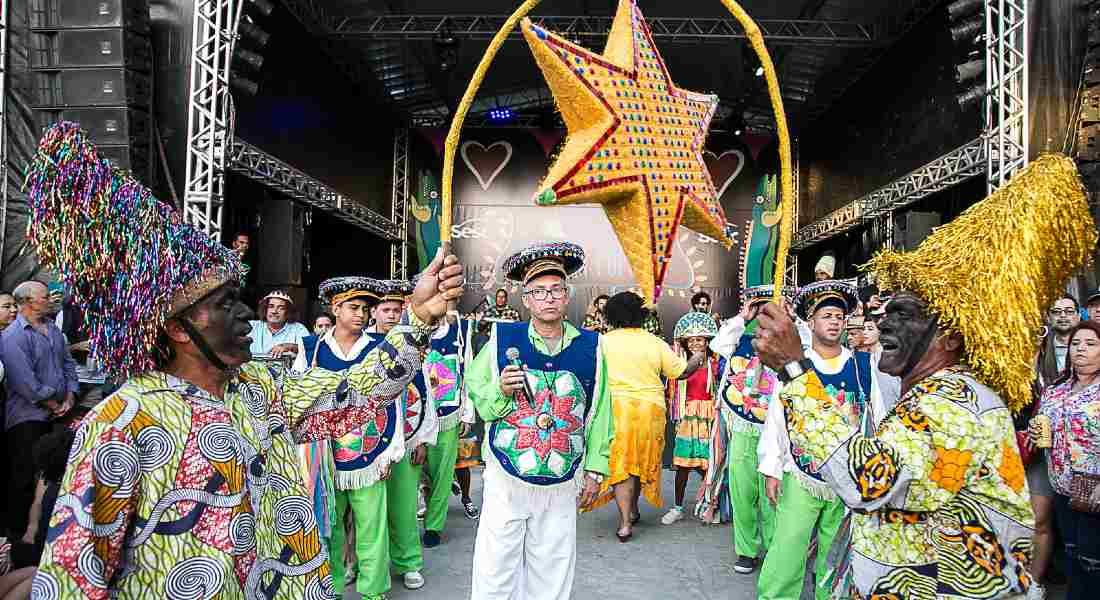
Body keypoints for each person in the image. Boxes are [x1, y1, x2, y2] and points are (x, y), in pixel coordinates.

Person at [23, 121, 467, 599]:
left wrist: (418, 316)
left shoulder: (259, 388)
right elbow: (72, 577)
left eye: (239, 297)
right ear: (176, 328)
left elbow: (355, 394)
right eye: (223, 303)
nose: (243, 313)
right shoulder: (123, 421)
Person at [750, 154, 1096, 600]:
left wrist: (796, 369)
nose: (885, 324)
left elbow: (866, 480)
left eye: (904, 314)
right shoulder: (938, 393)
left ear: (950, 337)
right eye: (887, 312)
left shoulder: (954, 405)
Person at [467, 242, 613, 600]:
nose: (548, 297)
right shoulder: (502, 339)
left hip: (562, 482)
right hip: (506, 477)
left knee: (552, 568)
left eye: (556, 290)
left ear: (567, 297)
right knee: (496, 565)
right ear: (526, 299)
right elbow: (478, 395)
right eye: (538, 291)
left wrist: (595, 470)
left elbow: (600, 412)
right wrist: (501, 391)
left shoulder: (593, 347)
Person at [757, 280, 880, 600]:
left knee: (835, 555)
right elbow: (777, 416)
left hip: (847, 477)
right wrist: (772, 466)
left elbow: (876, 417)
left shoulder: (862, 364)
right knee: (788, 548)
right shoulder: (797, 363)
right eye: (826, 315)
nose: (834, 321)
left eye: (839, 316)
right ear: (810, 323)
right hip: (802, 473)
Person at [292, 276, 406, 598]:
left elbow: (393, 400)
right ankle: (332, 588)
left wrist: (390, 452)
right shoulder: (310, 349)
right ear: (335, 308)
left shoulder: (380, 350)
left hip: (370, 452)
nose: (362, 314)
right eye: (353, 307)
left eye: (366, 308)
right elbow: (298, 400)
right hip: (323, 455)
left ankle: (373, 591)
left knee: (372, 527)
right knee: (328, 529)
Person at [587, 292, 703, 541]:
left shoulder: (603, 342)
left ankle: (625, 522)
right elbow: (681, 373)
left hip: (616, 410)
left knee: (622, 463)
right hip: (651, 411)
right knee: (639, 461)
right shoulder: (654, 342)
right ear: (640, 315)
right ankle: (634, 510)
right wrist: (696, 358)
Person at [708, 284, 782, 574]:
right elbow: (717, 344)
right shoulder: (740, 341)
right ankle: (747, 550)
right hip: (742, 427)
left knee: (772, 494)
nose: (763, 315)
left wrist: (788, 316)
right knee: (742, 490)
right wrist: (742, 316)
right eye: (759, 309)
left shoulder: (787, 346)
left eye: (769, 309)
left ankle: (776, 549)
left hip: (775, 432)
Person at [1, 280, 78, 542]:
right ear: (28, 302)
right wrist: (54, 403)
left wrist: (70, 395)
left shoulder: (53, 331)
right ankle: (15, 539)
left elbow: (68, 365)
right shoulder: (12, 337)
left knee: (53, 476)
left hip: (59, 412)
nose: (51, 300)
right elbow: (25, 382)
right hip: (27, 417)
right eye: (45, 297)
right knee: (23, 477)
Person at [1034, 321, 1100, 600]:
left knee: (1092, 562)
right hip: (1061, 487)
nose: (1081, 349)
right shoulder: (1056, 388)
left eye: (1091, 344)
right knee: (1071, 555)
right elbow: (1044, 430)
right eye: (1075, 344)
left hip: (1094, 492)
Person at [379, 279, 438, 591]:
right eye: (385, 309)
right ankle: (365, 565)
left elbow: (424, 394)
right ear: (374, 312)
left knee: (404, 507)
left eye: (396, 309)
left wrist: (424, 440)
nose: (391, 314)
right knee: (369, 512)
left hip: (407, 439)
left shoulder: (411, 346)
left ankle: (409, 563)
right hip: (370, 445)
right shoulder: (367, 349)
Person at [422, 316, 479, 548]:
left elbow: (470, 370)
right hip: (413, 415)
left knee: (443, 474)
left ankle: (433, 526)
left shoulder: (461, 330)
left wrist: (467, 413)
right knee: (411, 474)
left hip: (448, 412)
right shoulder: (405, 328)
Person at [662, 311, 721, 526]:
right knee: (683, 466)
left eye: (700, 339)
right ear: (686, 342)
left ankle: (710, 504)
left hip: (709, 417)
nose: (696, 343)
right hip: (688, 417)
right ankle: (677, 507)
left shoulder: (715, 364)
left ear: (707, 341)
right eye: (692, 340)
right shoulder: (679, 363)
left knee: (709, 465)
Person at [248, 290, 309, 357]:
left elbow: (309, 348)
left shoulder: (298, 329)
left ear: (288, 312)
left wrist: (288, 346)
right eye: (271, 306)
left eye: (281, 308)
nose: (274, 311)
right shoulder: (251, 326)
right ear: (265, 309)